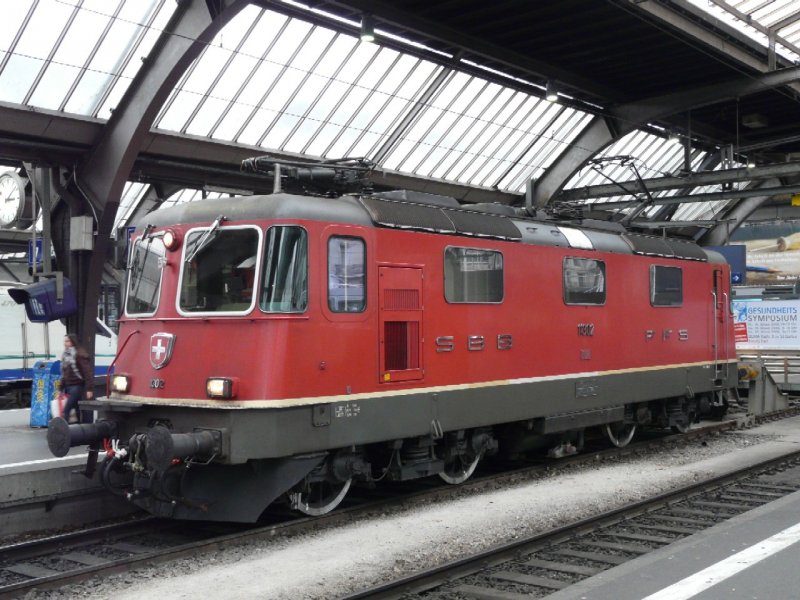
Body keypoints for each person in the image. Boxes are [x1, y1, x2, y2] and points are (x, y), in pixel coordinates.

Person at [60, 334, 94, 424]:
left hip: (77, 386)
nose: (65, 343)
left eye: (67, 341)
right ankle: (80, 429)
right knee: (76, 409)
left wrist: (89, 389)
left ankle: (64, 432)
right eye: (64, 341)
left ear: (73, 342)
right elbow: (64, 374)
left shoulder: (79, 354)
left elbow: (87, 372)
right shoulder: (65, 355)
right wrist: (60, 388)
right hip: (68, 387)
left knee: (66, 409)